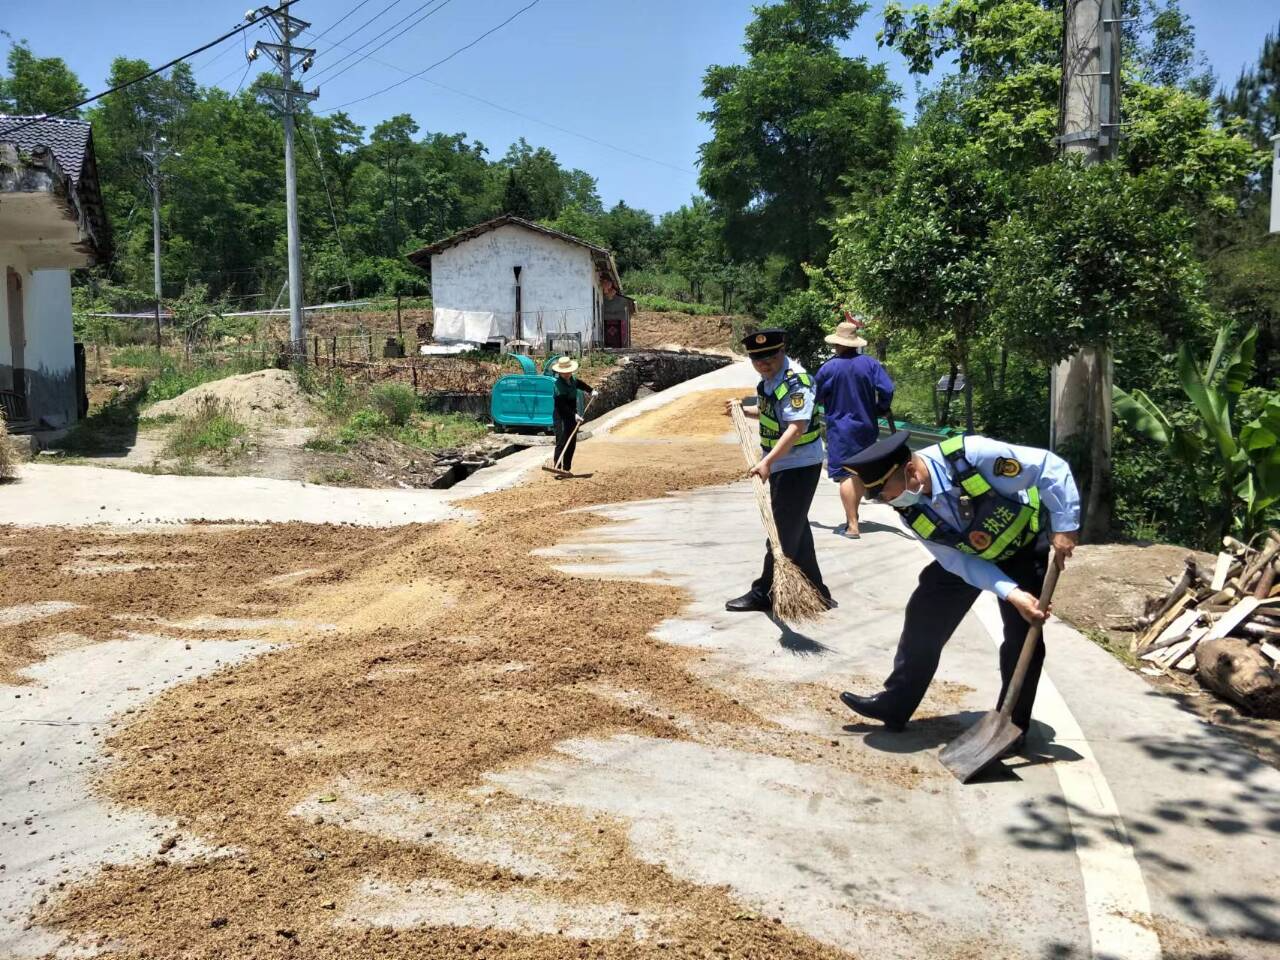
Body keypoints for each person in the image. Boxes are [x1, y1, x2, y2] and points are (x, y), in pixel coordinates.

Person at [838, 430, 1080, 752]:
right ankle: (896, 703)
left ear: (910, 472)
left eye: (884, 493)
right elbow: (956, 561)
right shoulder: (908, 506)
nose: (885, 501)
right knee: (925, 613)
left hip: (1021, 548)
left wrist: (1065, 525)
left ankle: (1012, 725)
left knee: (1023, 637)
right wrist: (1009, 592)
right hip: (969, 556)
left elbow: (1049, 468)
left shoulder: (972, 456)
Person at [724, 328, 833, 613]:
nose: (763, 363)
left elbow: (796, 428)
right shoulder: (771, 380)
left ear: (782, 352)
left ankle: (764, 593)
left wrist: (767, 462)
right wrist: (743, 411)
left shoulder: (796, 382)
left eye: (769, 357)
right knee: (795, 526)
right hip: (784, 463)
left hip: (798, 466)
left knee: (781, 532)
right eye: (757, 359)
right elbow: (774, 412)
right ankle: (818, 591)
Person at [814, 320, 895, 539]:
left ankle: (852, 526)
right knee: (858, 472)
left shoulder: (829, 368)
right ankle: (854, 515)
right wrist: (881, 408)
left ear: (837, 344)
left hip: (841, 430)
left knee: (845, 475)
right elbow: (887, 388)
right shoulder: (870, 364)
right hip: (867, 428)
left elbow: (815, 397)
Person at [550, 356, 593, 473]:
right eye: (564, 373)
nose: (567, 374)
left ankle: (566, 468)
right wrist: (574, 415)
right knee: (562, 441)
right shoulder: (558, 385)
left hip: (571, 413)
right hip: (561, 415)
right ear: (559, 372)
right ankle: (557, 467)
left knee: (571, 441)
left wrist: (591, 390)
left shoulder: (572, 380)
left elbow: (580, 384)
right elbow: (562, 406)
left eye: (568, 372)